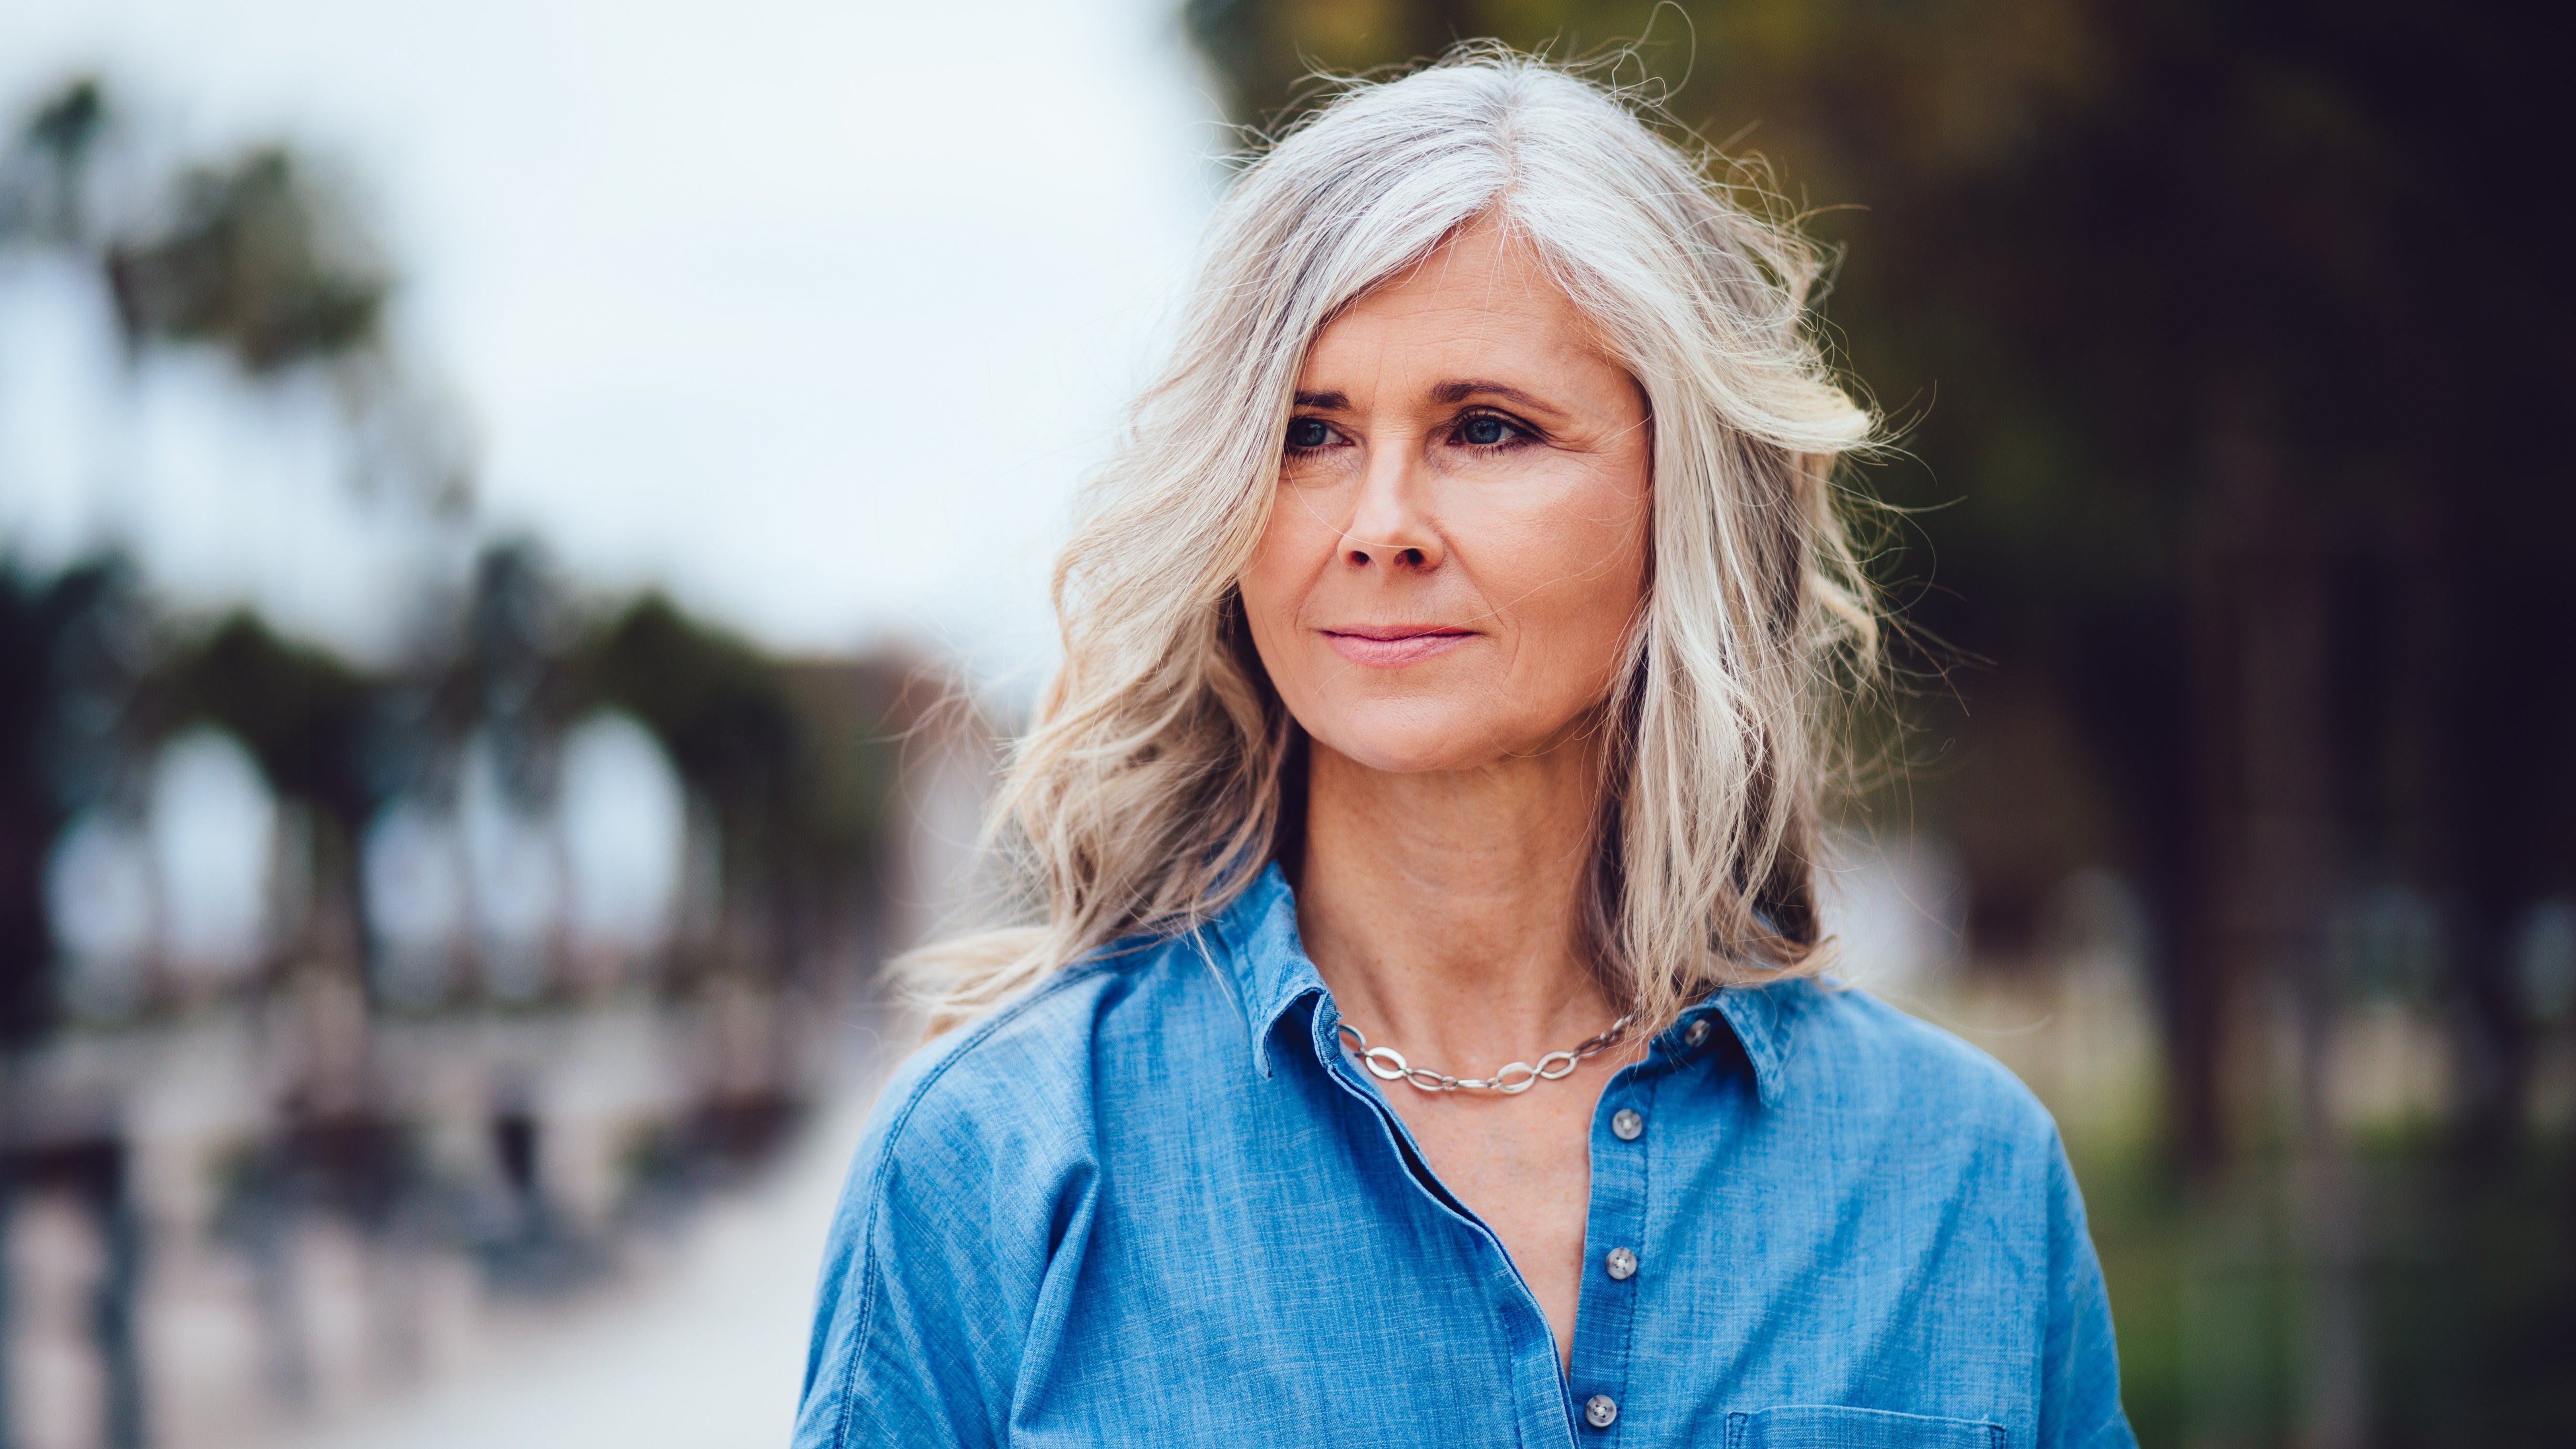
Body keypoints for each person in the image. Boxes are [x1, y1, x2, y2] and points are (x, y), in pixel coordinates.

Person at [795, 48, 2133, 1449]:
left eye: (1485, 428)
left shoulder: (1963, 1179)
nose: (1380, 522)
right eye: (1309, 434)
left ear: (1689, 493)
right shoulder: (993, 1166)